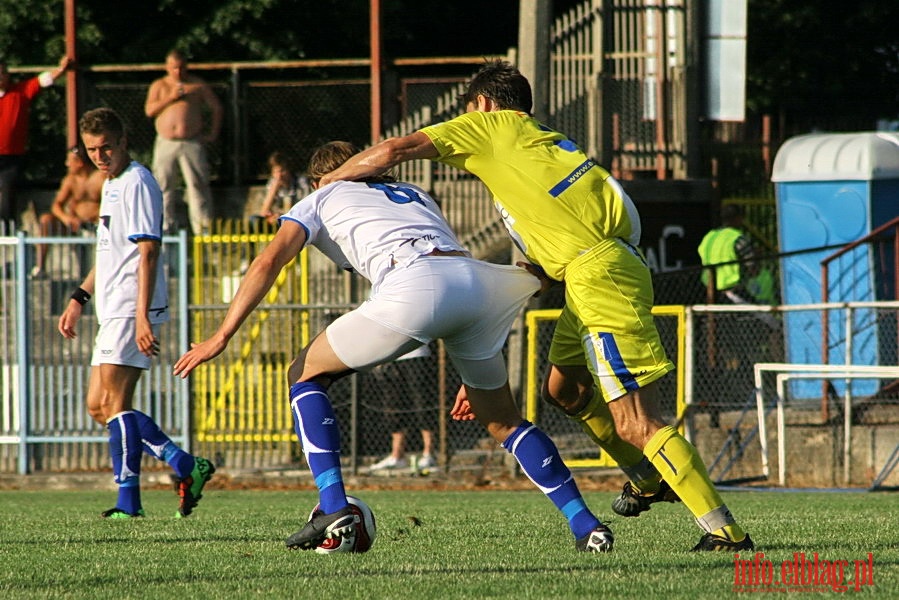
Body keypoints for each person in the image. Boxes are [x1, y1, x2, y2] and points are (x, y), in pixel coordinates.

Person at [318, 60, 754, 552]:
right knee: (562, 390)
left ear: (482, 105)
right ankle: (648, 479)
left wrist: (331, 182)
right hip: (591, 272)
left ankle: (724, 531)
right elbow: (540, 273)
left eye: (469, 113)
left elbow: (397, 149)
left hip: (600, 276)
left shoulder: (491, 126)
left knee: (636, 420)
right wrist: (476, 361)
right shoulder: (536, 144)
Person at [174, 140, 614, 554]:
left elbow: (268, 260)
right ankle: (586, 527)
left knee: (302, 373)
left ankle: (332, 508)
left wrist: (221, 335)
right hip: (478, 281)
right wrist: (471, 363)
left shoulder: (321, 196)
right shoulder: (414, 192)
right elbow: (446, 282)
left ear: (316, 181)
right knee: (502, 421)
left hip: (415, 284)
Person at [58, 107, 215, 518]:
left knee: (113, 404)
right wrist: (79, 296)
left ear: (123, 140)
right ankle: (185, 464)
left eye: (106, 146)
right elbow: (110, 253)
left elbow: (148, 251)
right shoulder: (110, 184)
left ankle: (129, 502)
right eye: (92, 149)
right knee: (100, 408)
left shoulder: (138, 182)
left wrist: (142, 315)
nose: (100, 155)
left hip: (131, 306)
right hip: (112, 307)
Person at [144, 49, 222, 235]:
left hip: (191, 141)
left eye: (181, 68)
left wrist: (212, 133)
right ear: (167, 67)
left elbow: (216, 108)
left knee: (197, 186)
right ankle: (164, 230)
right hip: (166, 142)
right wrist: (170, 98)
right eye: (173, 68)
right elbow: (149, 110)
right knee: (163, 186)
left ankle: (203, 232)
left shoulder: (196, 85)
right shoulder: (160, 85)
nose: (178, 72)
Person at [0, 55, 72, 225]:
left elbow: (43, 80)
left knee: (6, 193)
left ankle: (5, 232)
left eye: (2, 73)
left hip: (11, 157)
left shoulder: (20, 91)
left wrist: (61, 69)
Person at [30, 144, 105, 279]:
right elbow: (56, 205)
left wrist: (95, 216)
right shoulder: (70, 180)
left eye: (70, 160)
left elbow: (109, 203)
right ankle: (40, 267)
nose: (67, 164)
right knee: (46, 220)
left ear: (80, 162)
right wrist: (66, 218)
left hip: (95, 225)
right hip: (74, 226)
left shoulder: (100, 177)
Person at [366, 344, 438, 473]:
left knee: (422, 404)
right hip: (391, 358)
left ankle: (429, 454)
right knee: (393, 406)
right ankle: (397, 456)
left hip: (417, 356)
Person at [698, 204, 776, 306]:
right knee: (763, 318)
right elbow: (753, 268)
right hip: (733, 289)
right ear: (738, 218)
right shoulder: (738, 239)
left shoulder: (709, 237)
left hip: (709, 289)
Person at [250, 150, 312, 230]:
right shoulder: (272, 183)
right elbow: (263, 212)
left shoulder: (301, 183)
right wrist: (274, 189)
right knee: (254, 219)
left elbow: (305, 208)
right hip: (277, 220)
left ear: (289, 170)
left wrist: (283, 215)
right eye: (275, 172)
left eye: (282, 171)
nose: (279, 176)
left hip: (297, 219)